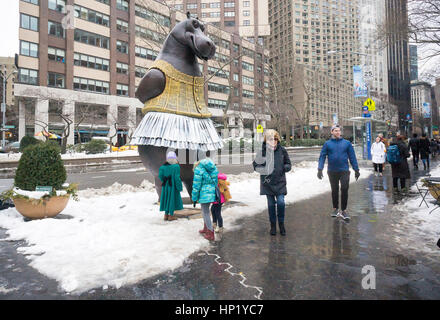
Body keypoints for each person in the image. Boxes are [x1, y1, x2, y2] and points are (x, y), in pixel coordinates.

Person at [253, 129, 292, 236]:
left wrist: (285, 168)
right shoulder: (262, 152)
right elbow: (256, 166)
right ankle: (273, 226)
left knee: (280, 203)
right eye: (270, 139)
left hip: (280, 182)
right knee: (271, 205)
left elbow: (288, 163)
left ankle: (281, 224)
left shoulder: (282, 150)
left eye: (275, 138)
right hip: (268, 183)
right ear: (266, 140)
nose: (273, 141)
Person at [317, 125, 360, 221]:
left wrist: (356, 169)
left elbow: (352, 157)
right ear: (332, 132)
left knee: (344, 188)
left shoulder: (347, 143)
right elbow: (322, 157)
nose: (337, 132)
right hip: (332, 171)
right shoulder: (327, 144)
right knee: (334, 190)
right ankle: (335, 209)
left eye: (339, 131)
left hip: (344, 170)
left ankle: (344, 210)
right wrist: (320, 169)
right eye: (335, 131)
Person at [192, 158, 219, 241]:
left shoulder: (198, 169)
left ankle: (210, 233)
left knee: (205, 212)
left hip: (204, 194)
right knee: (205, 211)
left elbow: (196, 185)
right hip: (211, 193)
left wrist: (194, 197)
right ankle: (206, 228)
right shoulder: (213, 168)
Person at [158, 151, 184, 221]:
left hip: (165, 185)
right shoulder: (176, 166)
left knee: (167, 198)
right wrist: (179, 187)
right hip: (173, 186)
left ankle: (166, 215)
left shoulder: (162, 167)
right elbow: (177, 178)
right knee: (172, 199)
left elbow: (160, 176)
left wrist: (164, 180)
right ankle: (171, 215)